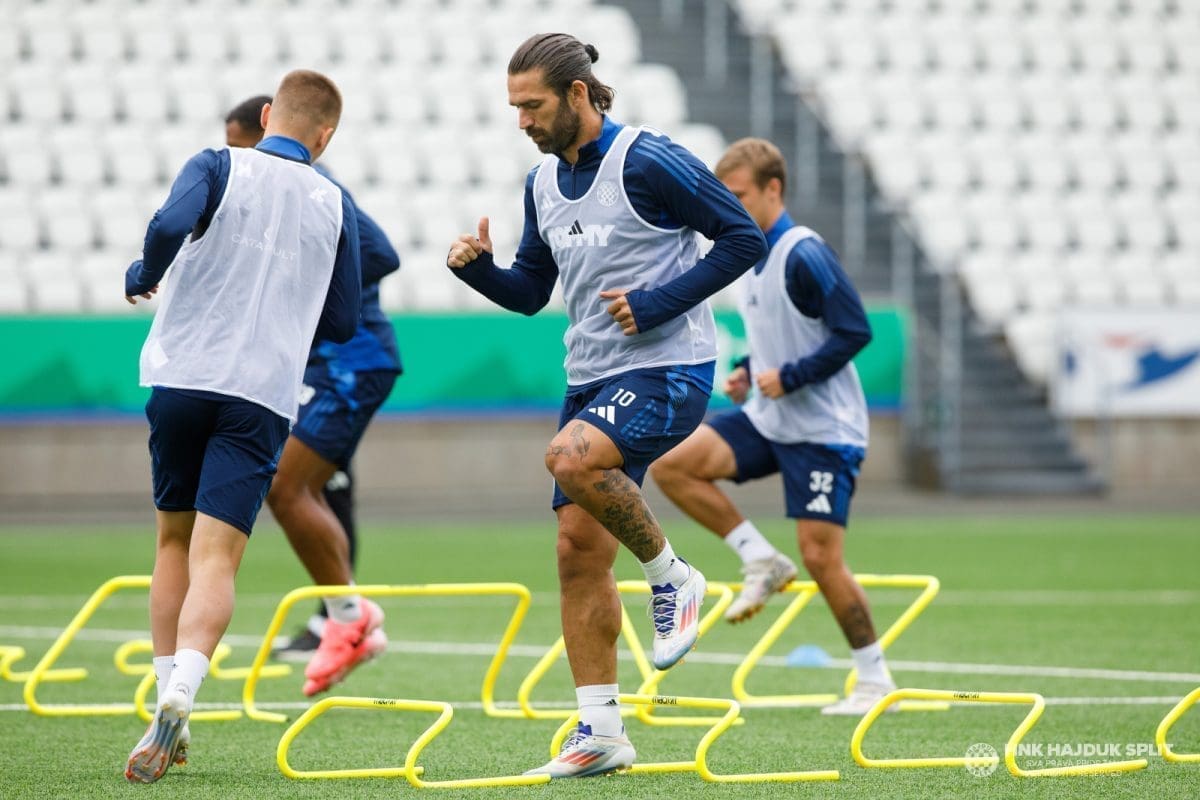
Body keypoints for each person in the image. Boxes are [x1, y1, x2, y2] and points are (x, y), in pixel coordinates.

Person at [446, 34, 767, 778]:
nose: (521, 119)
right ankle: (601, 731)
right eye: (514, 107)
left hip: (671, 370)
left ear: (581, 94)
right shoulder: (542, 184)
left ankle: (672, 576)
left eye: (533, 105)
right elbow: (530, 293)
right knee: (575, 553)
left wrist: (658, 301)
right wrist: (478, 272)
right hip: (591, 378)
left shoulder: (649, 161)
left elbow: (741, 236)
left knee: (568, 457)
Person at [123, 70, 361, 783]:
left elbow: (168, 225)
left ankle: (161, 693)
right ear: (326, 137)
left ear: (265, 116)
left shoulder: (218, 163)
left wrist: (144, 268)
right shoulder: (335, 200)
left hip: (183, 376)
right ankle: (184, 692)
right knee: (216, 556)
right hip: (260, 393)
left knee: (171, 537)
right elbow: (344, 320)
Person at [649, 137, 895, 715]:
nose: (728, 207)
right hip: (771, 417)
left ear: (773, 190)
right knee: (673, 465)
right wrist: (746, 372)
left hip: (823, 431)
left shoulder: (803, 253)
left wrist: (791, 375)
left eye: (737, 195)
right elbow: (778, 339)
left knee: (821, 557)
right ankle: (760, 558)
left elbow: (854, 331)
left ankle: (875, 679)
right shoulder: (749, 255)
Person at [226, 95, 403, 690]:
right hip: (318, 367)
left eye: (239, 144)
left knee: (289, 484)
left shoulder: (310, 183)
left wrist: (305, 294)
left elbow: (380, 255)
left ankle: (348, 620)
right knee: (315, 488)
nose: (235, 157)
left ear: (268, 131)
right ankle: (340, 617)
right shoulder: (270, 191)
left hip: (351, 363)